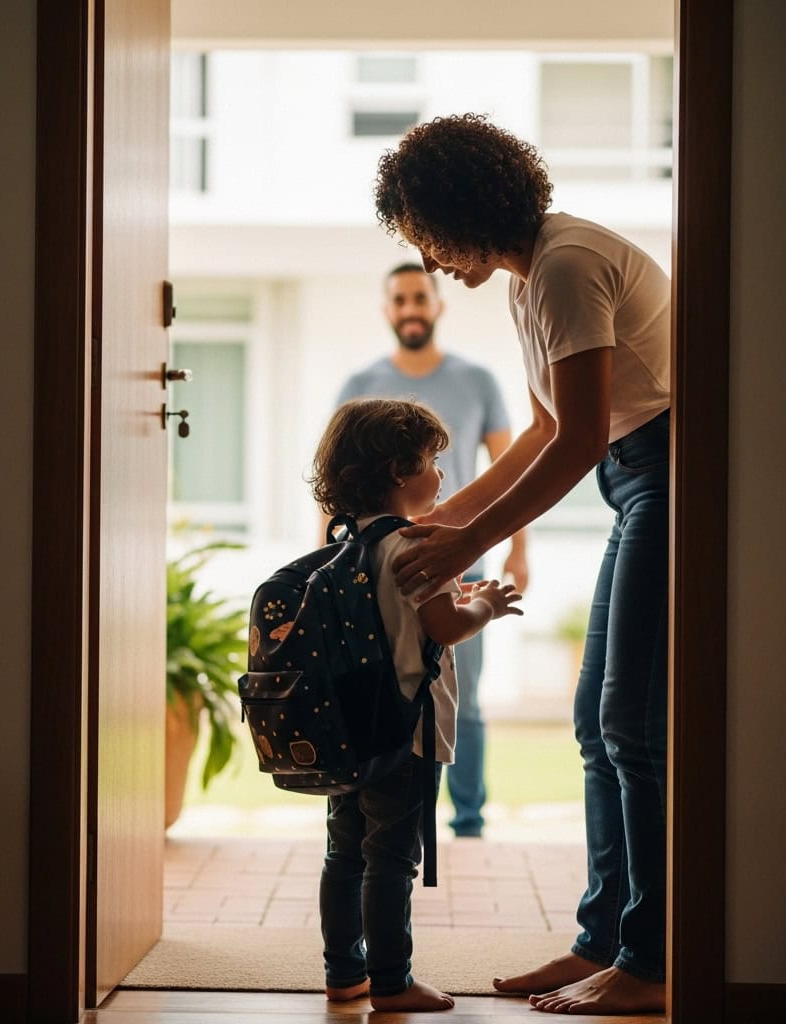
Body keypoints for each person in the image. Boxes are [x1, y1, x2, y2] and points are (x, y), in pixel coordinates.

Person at [373, 113, 671, 1016]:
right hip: (632, 481)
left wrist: (470, 543)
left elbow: (577, 440)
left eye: (427, 235)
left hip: (664, 476)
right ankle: (601, 942)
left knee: (631, 727)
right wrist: (434, 520)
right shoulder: (528, 278)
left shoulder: (568, 265)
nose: (428, 259)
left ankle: (651, 961)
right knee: (596, 726)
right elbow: (544, 428)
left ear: (462, 212)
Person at [309, 397, 523, 1012]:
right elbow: (446, 627)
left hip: (351, 731)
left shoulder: (344, 548)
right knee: (391, 859)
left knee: (344, 853)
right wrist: (488, 605)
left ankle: (344, 974)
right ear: (400, 471)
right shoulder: (418, 546)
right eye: (432, 461)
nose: (441, 474)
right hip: (407, 733)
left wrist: (457, 596)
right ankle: (393, 983)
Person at [332, 262, 529, 838]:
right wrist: (331, 557)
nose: (411, 308)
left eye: (420, 297)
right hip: (372, 567)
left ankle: (466, 820)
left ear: (437, 304)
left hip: (458, 556)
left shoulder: (478, 381)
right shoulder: (359, 383)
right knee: (376, 690)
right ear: (387, 309)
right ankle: (386, 813)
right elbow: (337, 479)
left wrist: (518, 550)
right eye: (400, 299)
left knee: (458, 694)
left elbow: (510, 470)